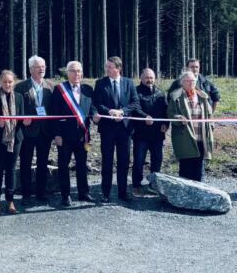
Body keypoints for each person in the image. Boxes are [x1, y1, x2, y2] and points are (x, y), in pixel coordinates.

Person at [93, 56, 140, 203]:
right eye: (106, 66)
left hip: (125, 130)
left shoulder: (129, 83)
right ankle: (105, 193)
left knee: (124, 162)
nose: (106, 69)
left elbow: (135, 102)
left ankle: (122, 192)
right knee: (107, 161)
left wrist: (123, 112)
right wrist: (110, 111)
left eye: (109, 66)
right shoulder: (100, 83)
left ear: (118, 68)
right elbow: (97, 103)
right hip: (107, 129)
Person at [50, 61, 97, 207]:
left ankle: (83, 192)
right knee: (64, 166)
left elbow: (92, 107)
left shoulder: (88, 89)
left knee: (82, 165)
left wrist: (95, 114)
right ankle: (65, 195)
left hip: (83, 135)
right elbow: (54, 114)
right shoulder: (59, 90)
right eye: (73, 71)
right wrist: (56, 134)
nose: (77, 74)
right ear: (67, 73)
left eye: (79, 71)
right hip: (64, 136)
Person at [14, 55, 54, 204]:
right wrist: (22, 118)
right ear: (31, 69)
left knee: (42, 163)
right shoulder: (20, 87)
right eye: (38, 67)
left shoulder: (51, 86)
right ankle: (25, 194)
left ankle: (41, 192)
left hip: (45, 132)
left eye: (43, 66)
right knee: (25, 163)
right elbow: (16, 107)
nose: (41, 69)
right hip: (27, 131)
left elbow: (54, 110)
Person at [0, 70, 24, 215]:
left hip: (16, 139)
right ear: (0, 82)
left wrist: (24, 122)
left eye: (10, 82)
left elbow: (21, 118)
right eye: (5, 82)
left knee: (11, 170)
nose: (7, 84)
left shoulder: (19, 97)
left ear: (14, 82)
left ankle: (10, 200)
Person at [167, 71, 214, 182]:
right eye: (187, 81)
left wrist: (211, 127)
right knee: (185, 170)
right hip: (185, 139)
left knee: (199, 170)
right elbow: (170, 115)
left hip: (201, 138)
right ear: (182, 82)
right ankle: (184, 196)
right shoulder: (175, 97)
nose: (190, 83)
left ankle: (199, 195)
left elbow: (210, 115)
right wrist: (178, 118)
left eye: (192, 81)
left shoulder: (203, 96)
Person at [132, 68, 168, 196]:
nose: (149, 80)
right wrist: (144, 117)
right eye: (147, 78)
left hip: (158, 134)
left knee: (157, 160)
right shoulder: (135, 92)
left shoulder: (160, 93)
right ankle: (136, 184)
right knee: (138, 160)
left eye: (151, 78)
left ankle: (153, 185)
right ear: (141, 78)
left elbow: (166, 111)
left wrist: (165, 124)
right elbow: (134, 108)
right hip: (141, 134)